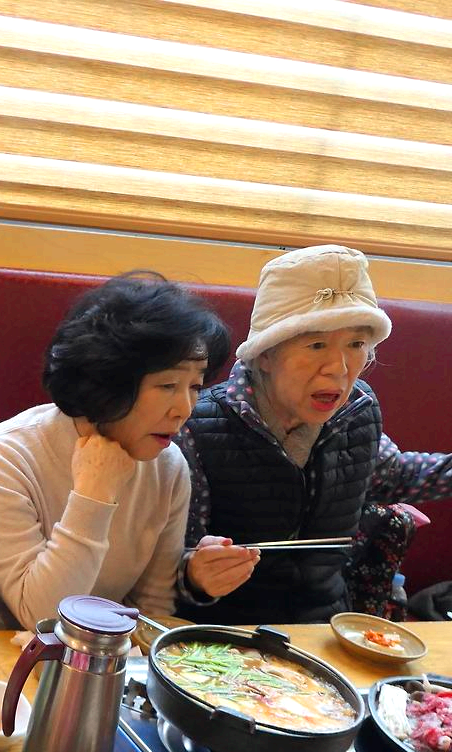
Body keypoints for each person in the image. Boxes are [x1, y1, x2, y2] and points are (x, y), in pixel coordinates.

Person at [0, 272, 257, 630]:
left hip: (100, 650)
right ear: (107, 382)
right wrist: (94, 495)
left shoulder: (168, 466)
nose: (184, 409)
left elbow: (152, 609)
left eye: (195, 386)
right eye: (168, 385)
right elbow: (43, 617)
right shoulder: (1, 459)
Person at [177, 244, 452, 624]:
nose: (338, 368)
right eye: (317, 344)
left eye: (356, 344)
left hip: (328, 626)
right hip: (224, 634)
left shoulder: (356, 412)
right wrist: (194, 574)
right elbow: (167, 563)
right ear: (266, 354)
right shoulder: (198, 428)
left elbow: (395, 474)